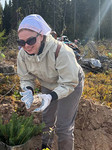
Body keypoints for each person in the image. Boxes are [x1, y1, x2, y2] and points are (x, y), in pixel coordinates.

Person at [17, 14, 84, 150]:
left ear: (41, 36)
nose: (26, 46)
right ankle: (46, 147)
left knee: (63, 127)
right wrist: (28, 89)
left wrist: (51, 96)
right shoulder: (23, 54)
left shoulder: (62, 52)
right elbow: (26, 77)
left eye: (30, 41)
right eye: (21, 42)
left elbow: (69, 83)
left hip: (71, 83)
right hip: (48, 84)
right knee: (47, 121)